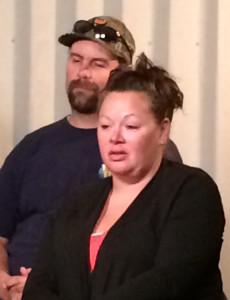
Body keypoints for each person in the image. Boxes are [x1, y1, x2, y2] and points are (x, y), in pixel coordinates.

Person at [0, 16, 182, 300]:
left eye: (97, 64)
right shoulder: (32, 146)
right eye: (75, 60)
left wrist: (41, 290)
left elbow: (147, 252)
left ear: (122, 75)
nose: (82, 72)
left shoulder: (144, 154)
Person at [22, 53, 226, 300]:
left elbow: (168, 281)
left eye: (130, 127)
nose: (114, 137)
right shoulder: (78, 203)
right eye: (105, 126)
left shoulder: (191, 191)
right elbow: (39, 284)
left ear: (163, 130)